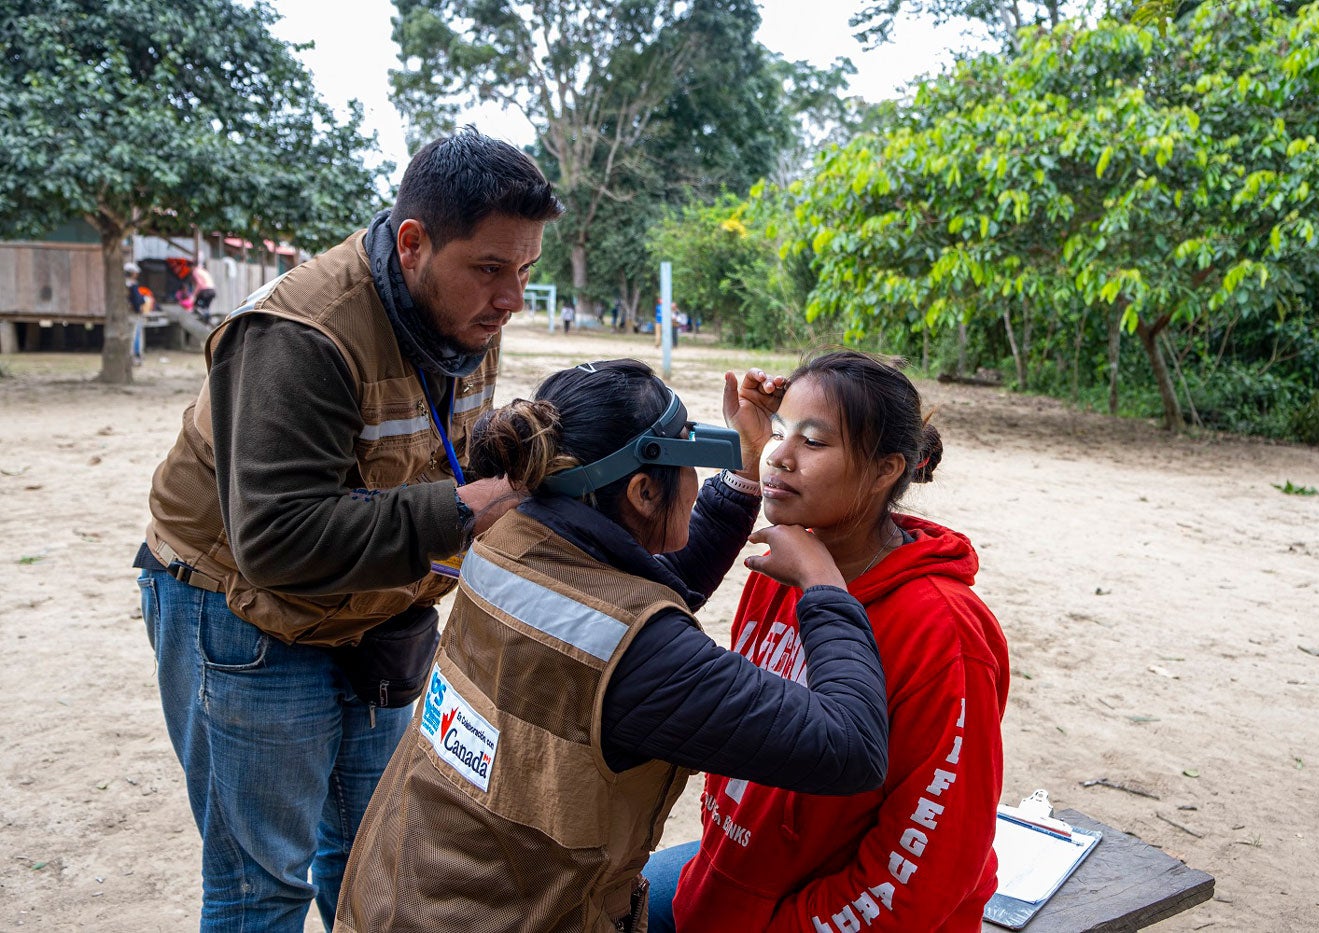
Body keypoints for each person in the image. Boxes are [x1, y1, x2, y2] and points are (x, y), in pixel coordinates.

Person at [134, 127, 565, 932]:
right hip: (243, 613)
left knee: (377, 855)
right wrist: (464, 510)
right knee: (262, 888)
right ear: (413, 244)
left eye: (525, 272)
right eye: (490, 269)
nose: (510, 298)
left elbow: (444, 448)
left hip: (369, 614)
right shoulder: (302, 336)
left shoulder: (464, 314)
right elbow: (276, 540)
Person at [333, 358, 890, 933]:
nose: (699, 481)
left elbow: (643, 586)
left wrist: (744, 474)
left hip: (403, 891)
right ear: (645, 490)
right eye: (692, 463)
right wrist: (823, 586)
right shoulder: (641, 653)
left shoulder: (509, 534)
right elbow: (850, 745)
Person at [650, 349, 1010, 933]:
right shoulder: (788, 563)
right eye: (779, 432)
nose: (779, 458)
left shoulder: (943, 633)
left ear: (886, 469)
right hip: (728, 885)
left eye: (813, 443)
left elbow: (928, 870)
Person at [124, 262, 147, 365]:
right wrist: (140, 307)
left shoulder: (123, 284)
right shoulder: (132, 285)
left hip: (125, 313)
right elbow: (138, 300)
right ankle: (133, 357)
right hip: (132, 313)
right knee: (133, 336)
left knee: (129, 336)